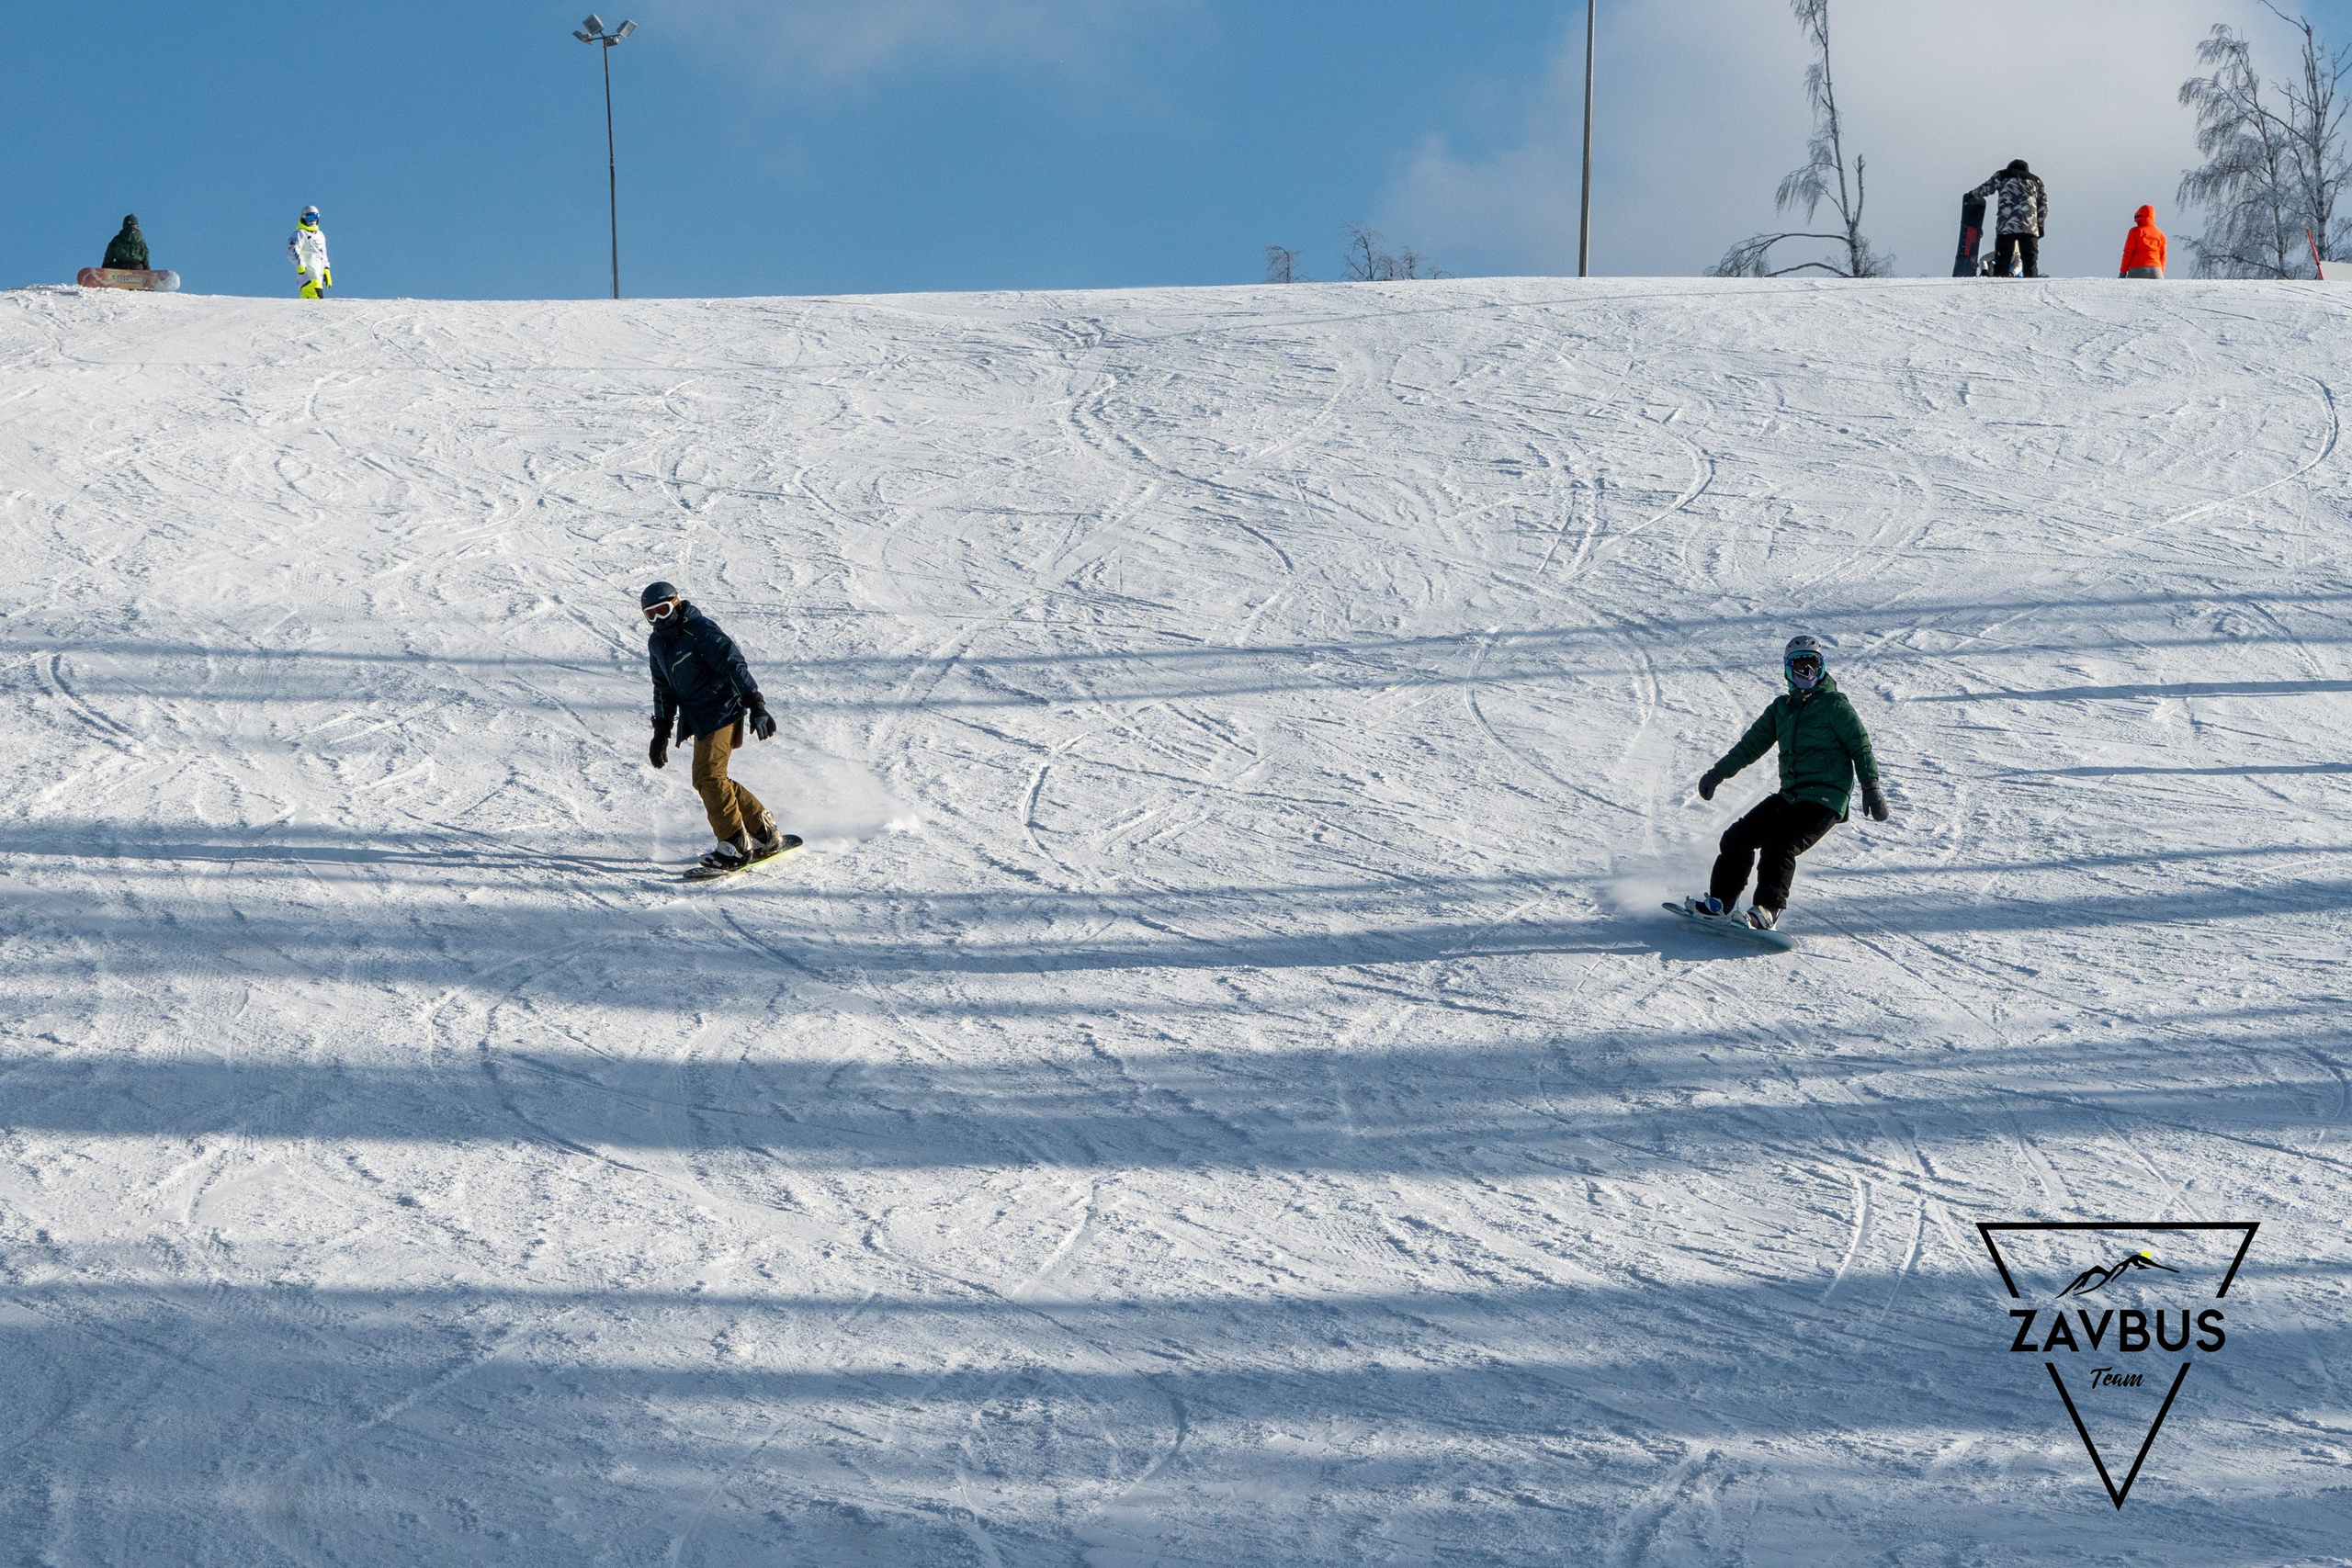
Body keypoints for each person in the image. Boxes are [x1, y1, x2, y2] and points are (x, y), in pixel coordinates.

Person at [1682, 636, 1886, 931]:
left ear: (1822, 668)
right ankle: (1722, 904)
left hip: (1825, 797)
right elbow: (1750, 746)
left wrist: (1871, 786)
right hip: (1791, 796)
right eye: (1798, 667)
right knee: (1737, 837)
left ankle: (1767, 911)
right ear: (1787, 671)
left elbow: (1860, 745)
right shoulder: (1781, 709)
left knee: (1780, 845)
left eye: (1812, 666)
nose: (1806, 674)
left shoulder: (1834, 705)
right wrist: (1717, 773)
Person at [641, 581, 789, 871]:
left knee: (708, 777)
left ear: (677, 603)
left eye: (664, 610)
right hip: (698, 717)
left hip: (723, 710)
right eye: (652, 614)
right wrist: (661, 733)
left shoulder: (700, 631)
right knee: (712, 779)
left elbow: (733, 665)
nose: (660, 618)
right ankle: (763, 831)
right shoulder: (657, 643)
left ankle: (735, 845)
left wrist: (756, 705)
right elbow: (663, 689)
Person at [1968, 159, 2049, 278]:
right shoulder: (2036, 181)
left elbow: (1986, 188)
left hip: (2006, 225)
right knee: (2030, 261)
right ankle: (2031, 283)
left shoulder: (2002, 175)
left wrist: (1972, 195)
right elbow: (2043, 206)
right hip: (2029, 227)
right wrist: (2040, 226)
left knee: (2002, 259)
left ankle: (2000, 286)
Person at [288, 206, 331, 299]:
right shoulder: (300, 234)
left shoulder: (320, 235)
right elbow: (292, 249)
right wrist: (300, 263)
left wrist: (326, 269)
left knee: (317, 301)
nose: (312, 220)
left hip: (317, 276)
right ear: (303, 217)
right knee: (312, 301)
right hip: (307, 277)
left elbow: (323, 254)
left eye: (314, 217)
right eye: (309, 217)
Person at [2119, 205, 2166, 278]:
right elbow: (2163, 256)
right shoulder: (2160, 234)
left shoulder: (2135, 231)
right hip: (2156, 270)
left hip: (2137, 268)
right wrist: (2160, 272)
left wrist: (2123, 272)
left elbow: (2128, 253)